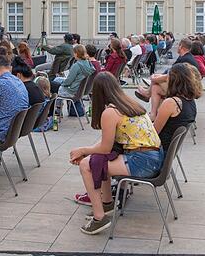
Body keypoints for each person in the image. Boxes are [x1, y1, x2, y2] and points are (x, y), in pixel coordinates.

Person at [70, 72, 163, 235]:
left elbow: (105, 148)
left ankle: (99, 218)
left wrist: (83, 151)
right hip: (152, 157)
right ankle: (106, 202)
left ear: (98, 93)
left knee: (87, 165)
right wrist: (90, 152)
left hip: (142, 161)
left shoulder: (110, 112)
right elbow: (108, 145)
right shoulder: (129, 103)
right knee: (98, 159)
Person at [135, 37, 200, 118]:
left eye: (178, 45)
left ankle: (150, 102)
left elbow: (169, 76)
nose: (177, 47)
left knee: (155, 87)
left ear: (182, 47)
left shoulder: (184, 59)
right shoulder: (186, 57)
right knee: (156, 85)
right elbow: (171, 73)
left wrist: (154, 79)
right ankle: (155, 112)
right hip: (183, 85)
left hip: (182, 88)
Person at [154, 63, 201, 147]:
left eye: (167, 77)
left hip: (156, 151)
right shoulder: (190, 101)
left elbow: (153, 133)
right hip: (167, 150)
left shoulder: (171, 103)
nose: (166, 80)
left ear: (173, 80)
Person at [52, 44, 95, 117]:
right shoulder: (89, 64)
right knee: (57, 79)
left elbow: (68, 82)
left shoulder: (77, 65)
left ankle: (57, 110)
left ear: (76, 53)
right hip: (80, 89)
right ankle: (58, 108)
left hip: (72, 91)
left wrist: (62, 83)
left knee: (53, 85)